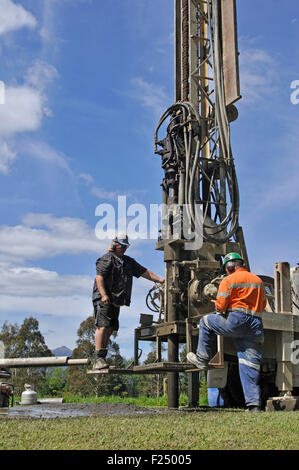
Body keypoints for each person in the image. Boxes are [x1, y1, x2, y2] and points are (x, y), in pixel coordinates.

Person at [186, 252, 266, 412]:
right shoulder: (258, 281)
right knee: (248, 364)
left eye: (227, 268)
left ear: (230, 267)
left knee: (206, 321)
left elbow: (221, 306)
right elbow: (263, 304)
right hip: (255, 324)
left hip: (236, 321)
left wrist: (219, 305)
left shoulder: (228, 280)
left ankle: (202, 358)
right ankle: (254, 405)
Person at [92, 233, 165, 370]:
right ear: (115, 245)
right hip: (105, 299)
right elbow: (99, 278)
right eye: (121, 246)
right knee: (102, 326)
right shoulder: (106, 259)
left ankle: (103, 358)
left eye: (125, 246)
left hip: (116, 300)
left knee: (110, 328)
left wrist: (159, 280)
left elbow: (144, 272)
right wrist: (103, 295)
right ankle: (98, 358)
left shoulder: (127, 262)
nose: (124, 249)